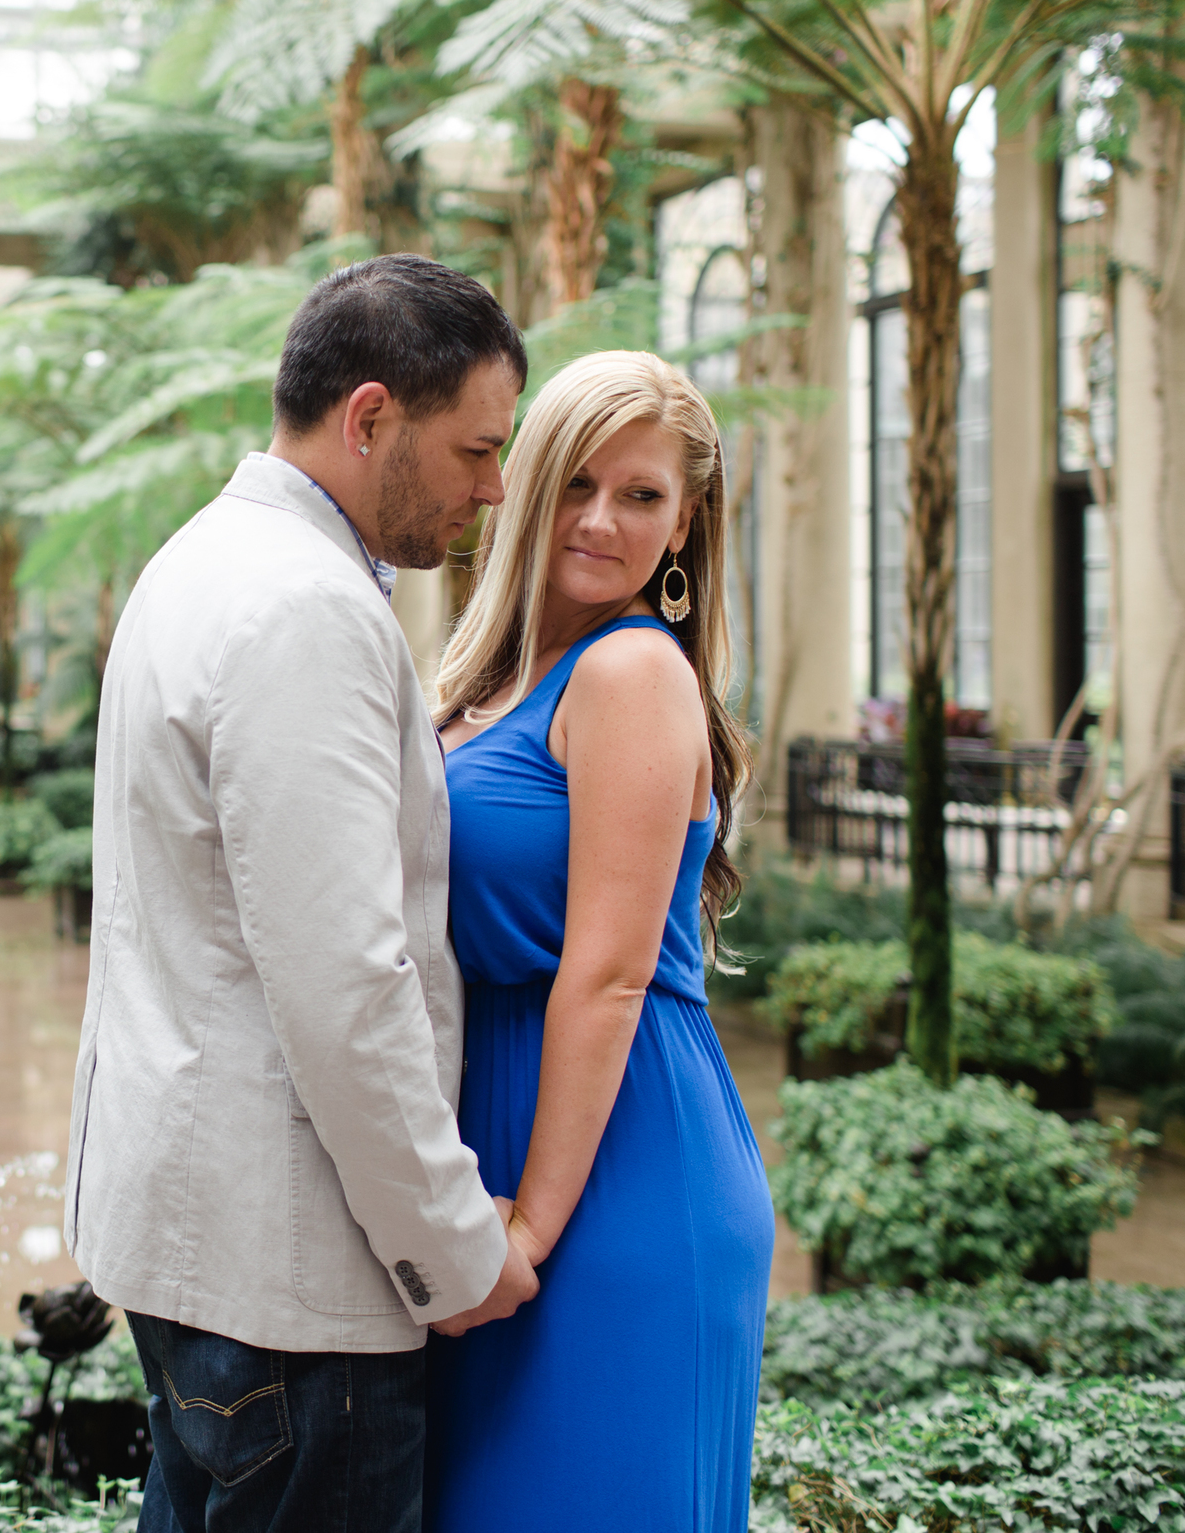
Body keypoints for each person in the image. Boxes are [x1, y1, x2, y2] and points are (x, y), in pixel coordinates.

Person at [64, 254, 540, 1533]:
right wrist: (454, 1250)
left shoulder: (194, 562)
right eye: (476, 450)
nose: (494, 489)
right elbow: (344, 984)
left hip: (194, 1252)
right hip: (293, 1289)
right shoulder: (304, 608)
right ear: (370, 416)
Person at [424, 350, 775, 1533]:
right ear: (525, 483)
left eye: (641, 495)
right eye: (577, 481)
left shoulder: (631, 669)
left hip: (614, 1167)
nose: (600, 520)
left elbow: (612, 971)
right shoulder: (481, 682)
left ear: (685, 526)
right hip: (500, 1140)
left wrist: (526, 1223)